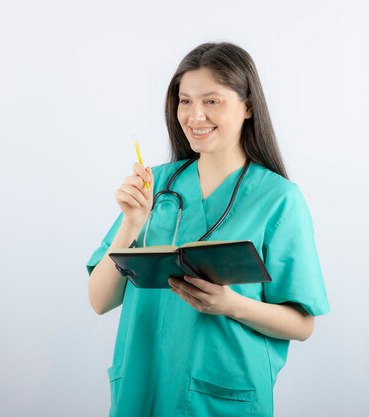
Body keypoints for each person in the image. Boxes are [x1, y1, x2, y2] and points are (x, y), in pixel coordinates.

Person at [86, 42, 330, 417]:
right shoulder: (156, 186)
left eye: (211, 101)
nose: (195, 115)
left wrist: (230, 305)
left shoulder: (278, 199)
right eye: (185, 101)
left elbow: (302, 324)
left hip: (223, 396)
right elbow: (100, 300)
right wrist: (132, 222)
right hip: (144, 387)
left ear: (248, 106)